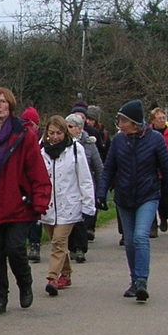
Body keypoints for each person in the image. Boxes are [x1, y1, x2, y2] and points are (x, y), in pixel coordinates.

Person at [0, 87, 50, 315]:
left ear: (10, 105)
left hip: (18, 203)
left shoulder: (23, 134)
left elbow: (36, 170)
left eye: (3, 102)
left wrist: (40, 200)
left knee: (15, 249)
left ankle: (24, 283)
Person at [102, 98, 168, 303]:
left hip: (148, 196)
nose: (119, 124)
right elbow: (109, 169)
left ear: (134, 122)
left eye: (122, 120)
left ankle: (142, 280)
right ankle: (134, 281)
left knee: (140, 236)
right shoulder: (118, 141)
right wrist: (101, 194)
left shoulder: (155, 140)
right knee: (129, 242)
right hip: (124, 198)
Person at [39, 115, 96, 295]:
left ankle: (52, 278)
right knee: (56, 241)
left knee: (58, 241)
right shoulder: (40, 151)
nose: (55, 137)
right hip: (48, 206)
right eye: (51, 133)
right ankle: (66, 273)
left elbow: (85, 179)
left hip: (69, 205)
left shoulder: (75, 150)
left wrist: (88, 205)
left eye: (59, 133)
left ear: (65, 133)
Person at [63, 112, 104, 265]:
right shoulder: (61, 143)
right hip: (66, 187)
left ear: (79, 129)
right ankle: (70, 247)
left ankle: (80, 248)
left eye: (70, 127)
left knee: (80, 220)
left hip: (83, 186)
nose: (67, 129)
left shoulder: (88, 144)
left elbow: (98, 167)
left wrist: (101, 190)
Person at [149, 107, 168, 237]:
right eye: (159, 118)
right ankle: (152, 226)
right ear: (153, 120)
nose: (161, 121)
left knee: (165, 200)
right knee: (150, 199)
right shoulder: (147, 134)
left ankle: (164, 217)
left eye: (163, 118)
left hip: (166, 172)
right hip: (151, 172)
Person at [21, 105, 44, 262]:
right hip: (21, 186)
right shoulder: (18, 138)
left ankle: (35, 244)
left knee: (36, 219)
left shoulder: (43, 142)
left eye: (31, 122)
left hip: (36, 185)